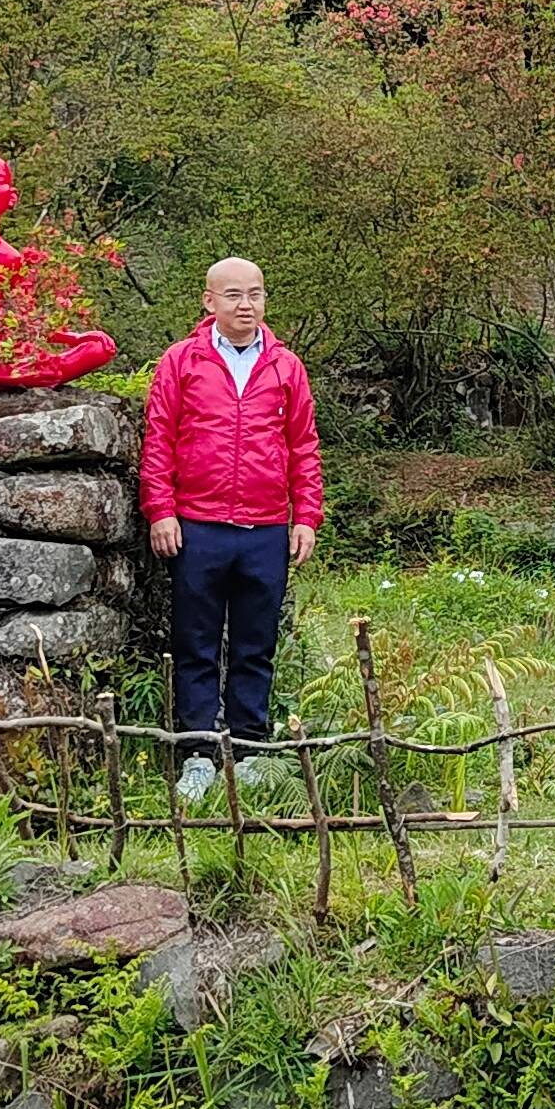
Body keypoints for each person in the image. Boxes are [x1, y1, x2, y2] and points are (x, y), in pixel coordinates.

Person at [137, 257, 323, 801]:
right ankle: (197, 752)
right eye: (235, 295)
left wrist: (306, 515)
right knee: (195, 641)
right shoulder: (181, 361)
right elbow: (160, 439)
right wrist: (161, 509)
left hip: (265, 526)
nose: (247, 305)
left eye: (256, 295)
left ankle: (250, 750)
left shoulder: (286, 366)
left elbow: (303, 446)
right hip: (197, 523)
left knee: (254, 643)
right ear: (209, 301)